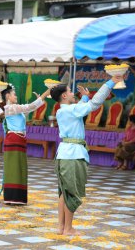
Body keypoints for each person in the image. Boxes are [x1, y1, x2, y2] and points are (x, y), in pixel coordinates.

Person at [50, 74, 122, 236]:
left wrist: (83, 98)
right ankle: (68, 228)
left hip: (64, 154)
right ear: (64, 95)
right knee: (71, 192)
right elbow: (95, 103)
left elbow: (79, 110)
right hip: (72, 155)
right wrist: (110, 83)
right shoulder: (70, 110)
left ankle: (61, 227)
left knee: (64, 191)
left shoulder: (64, 110)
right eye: (70, 91)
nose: (72, 93)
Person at [1, 85, 50, 205]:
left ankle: (18, 197)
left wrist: (40, 100)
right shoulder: (10, 108)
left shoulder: (16, 108)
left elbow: (31, 108)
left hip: (19, 139)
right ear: (8, 96)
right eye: (14, 94)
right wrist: (46, 92)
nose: (16, 96)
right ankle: (12, 197)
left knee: (20, 167)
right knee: (14, 167)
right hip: (14, 140)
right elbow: (30, 106)